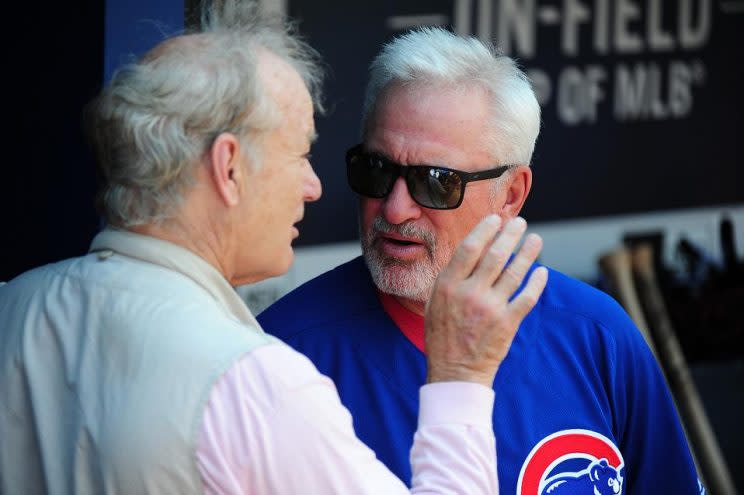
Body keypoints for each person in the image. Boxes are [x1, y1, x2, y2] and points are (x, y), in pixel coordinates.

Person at [0, 4, 549, 494]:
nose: (313, 186)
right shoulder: (254, 383)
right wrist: (459, 380)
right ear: (230, 167)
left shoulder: (14, 307)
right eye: (298, 154)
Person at [258, 27, 704, 494]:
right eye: (376, 170)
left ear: (511, 194)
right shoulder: (282, 356)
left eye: (436, 181)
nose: (394, 208)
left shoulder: (597, 337)